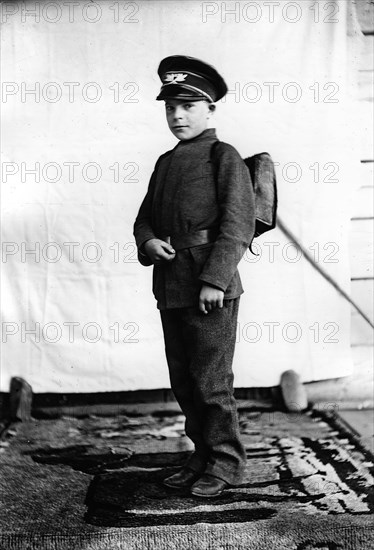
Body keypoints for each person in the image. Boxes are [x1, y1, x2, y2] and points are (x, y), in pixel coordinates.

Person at [133, 55, 256, 498]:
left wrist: (215, 279)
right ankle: (201, 454)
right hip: (171, 284)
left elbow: (238, 226)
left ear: (210, 109)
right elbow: (143, 219)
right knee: (184, 379)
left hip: (210, 287)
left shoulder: (224, 157)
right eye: (170, 107)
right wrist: (147, 242)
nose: (178, 115)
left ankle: (226, 462)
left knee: (211, 380)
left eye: (187, 105)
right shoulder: (166, 162)